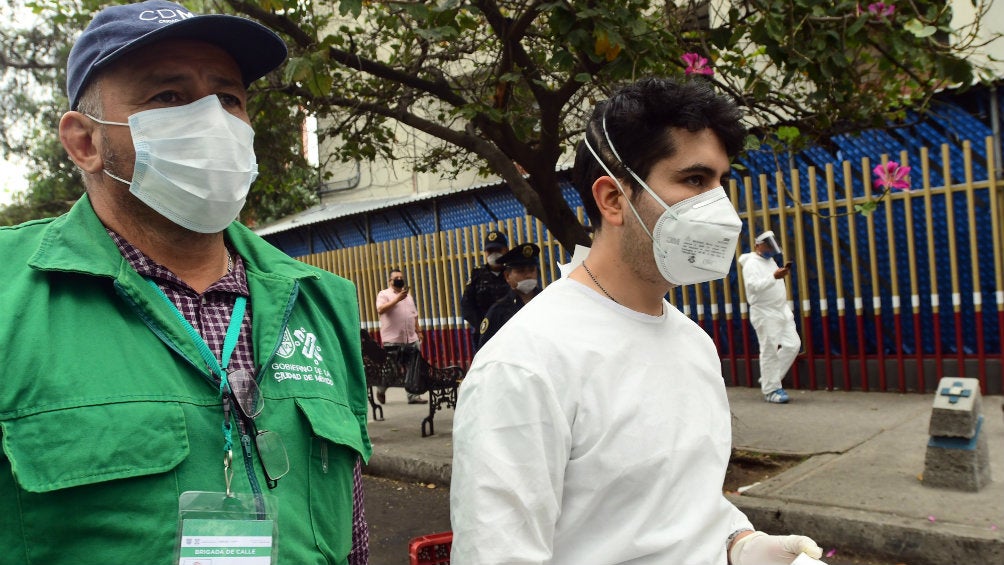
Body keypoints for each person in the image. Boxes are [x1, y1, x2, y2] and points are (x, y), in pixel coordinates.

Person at [0, 2, 372, 564]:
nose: (212, 122)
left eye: (227, 98)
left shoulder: (321, 299)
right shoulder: (12, 293)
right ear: (84, 142)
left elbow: (352, 532)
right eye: (168, 97)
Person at [450, 77, 823, 564]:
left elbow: (681, 507)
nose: (723, 210)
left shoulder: (693, 343)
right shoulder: (526, 362)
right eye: (694, 180)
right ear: (611, 199)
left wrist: (740, 543)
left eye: (720, 183)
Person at [738, 230, 801, 404]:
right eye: (767, 247)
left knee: (793, 345)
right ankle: (771, 389)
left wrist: (776, 275)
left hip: (781, 310)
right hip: (764, 312)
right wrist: (774, 277)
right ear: (758, 245)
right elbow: (753, 287)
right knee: (769, 349)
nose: (770, 251)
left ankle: (769, 379)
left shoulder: (770, 260)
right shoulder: (751, 264)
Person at [474, 242, 542, 350]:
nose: (528, 275)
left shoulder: (548, 301)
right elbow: (485, 351)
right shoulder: (498, 311)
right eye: (521, 271)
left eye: (531, 270)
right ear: (507, 276)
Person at [375, 269, 427, 405]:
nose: (399, 279)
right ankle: (381, 389)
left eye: (401, 277)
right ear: (390, 281)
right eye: (396, 277)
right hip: (393, 340)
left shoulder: (408, 297)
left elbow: (414, 315)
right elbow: (380, 309)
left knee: (413, 368)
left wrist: (419, 331)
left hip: (411, 338)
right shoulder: (384, 294)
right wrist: (397, 299)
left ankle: (412, 395)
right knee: (392, 371)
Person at [459, 230, 511, 331]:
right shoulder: (477, 274)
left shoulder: (512, 272)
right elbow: (466, 306)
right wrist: (483, 325)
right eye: (490, 251)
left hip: (510, 330)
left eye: (498, 250)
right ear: (485, 253)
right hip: (484, 331)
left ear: (506, 250)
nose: (494, 254)